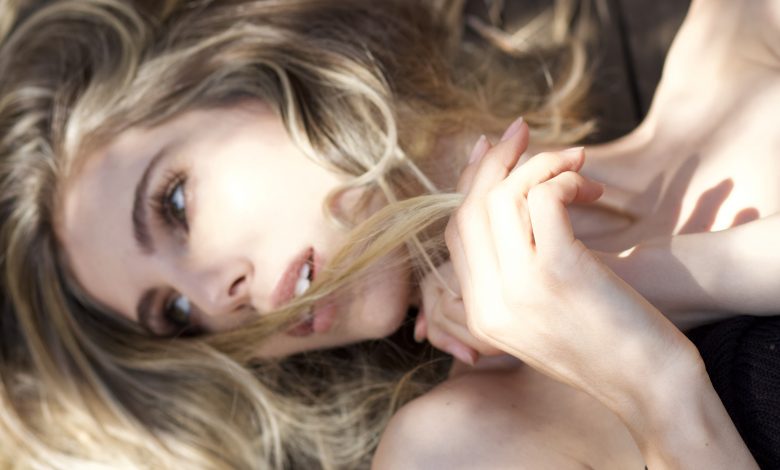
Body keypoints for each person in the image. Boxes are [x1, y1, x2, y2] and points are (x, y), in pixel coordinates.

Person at [0, 0, 775, 468]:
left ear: (251, 70)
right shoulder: (463, 448)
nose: (215, 296)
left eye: (173, 204)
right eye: (176, 315)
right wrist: (651, 383)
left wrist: (638, 280)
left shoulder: (735, 39)